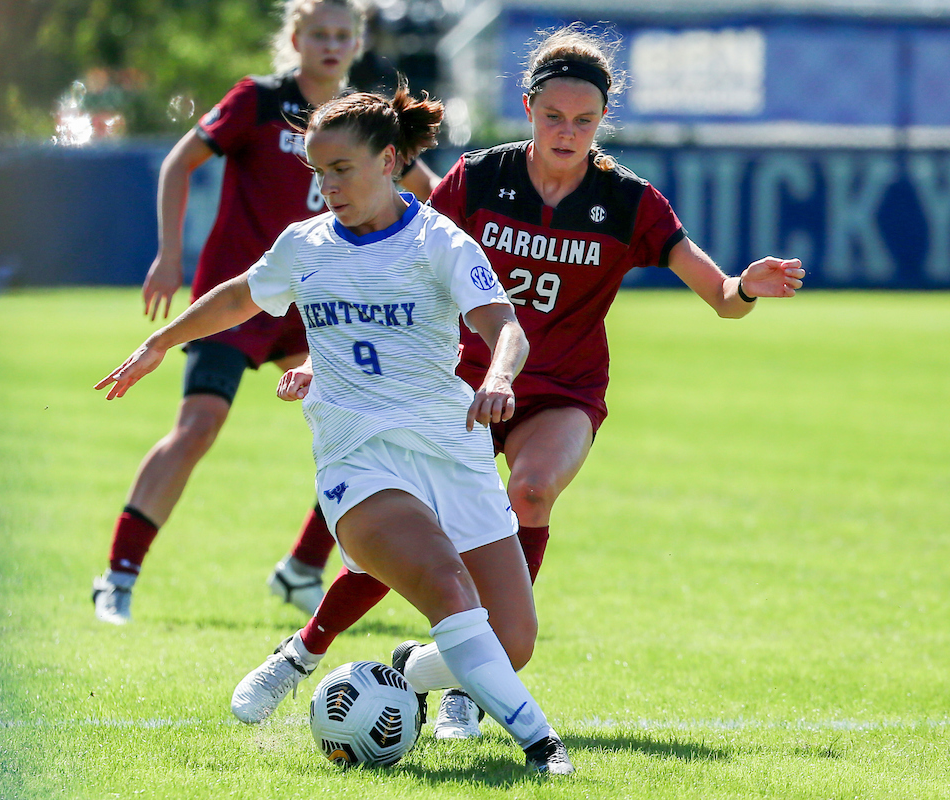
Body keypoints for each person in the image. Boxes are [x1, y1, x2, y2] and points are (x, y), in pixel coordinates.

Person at [230, 21, 805, 740]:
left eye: (585, 120)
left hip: (559, 389)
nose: (568, 132)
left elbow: (720, 296)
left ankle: (468, 682)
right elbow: (389, 259)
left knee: (531, 492)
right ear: (528, 107)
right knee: (415, 539)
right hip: (457, 386)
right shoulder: (480, 177)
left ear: (603, 120)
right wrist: (324, 356)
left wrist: (745, 287)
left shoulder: (630, 201)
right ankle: (302, 652)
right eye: (554, 116)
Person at [96, 83, 574, 776]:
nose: (327, 186)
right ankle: (541, 743)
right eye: (319, 172)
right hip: (358, 456)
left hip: (451, 451)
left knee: (513, 639)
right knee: (446, 584)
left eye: (341, 169)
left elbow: (505, 329)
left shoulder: (439, 241)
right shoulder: (305, 245)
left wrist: (497, 378)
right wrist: (161, 342)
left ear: (388, 161)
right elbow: (238, 296)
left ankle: (373, 663)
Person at [91, 0, 438, 624]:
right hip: (240, 297)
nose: (331, 45)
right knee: (197, 428)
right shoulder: (258, 99)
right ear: (296, 37)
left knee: (372, 430)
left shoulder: (358, 122)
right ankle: (118, 574)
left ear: (356, 41)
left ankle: (302, 567)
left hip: (317, 308)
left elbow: (428, 193)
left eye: (343, 34)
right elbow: (180, 162)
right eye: (319, 34)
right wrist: (170, 255)